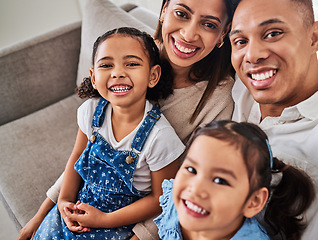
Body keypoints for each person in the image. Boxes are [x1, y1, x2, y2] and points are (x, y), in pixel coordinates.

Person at [18, 0, 238, 239]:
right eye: (181, 13)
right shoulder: (131, 51)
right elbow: (84, 156)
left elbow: (176, 190)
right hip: (80, 208)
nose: (188, 33)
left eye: (208, 24)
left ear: (223, 32)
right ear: (164, 10)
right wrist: (42, 215)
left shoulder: (219, 98)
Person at [31, 27, 184, 239]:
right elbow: (77, 156)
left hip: (118, 222)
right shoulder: (91, 111)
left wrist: (104, 220)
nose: (118, 72)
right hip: (79, 205)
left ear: (153, 75)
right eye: (106, 65)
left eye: (131, 64)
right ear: (93, 77)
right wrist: (64, 200)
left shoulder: (160, 137)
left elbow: (160, 199)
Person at [229, 0, 318, 239]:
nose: (253, 55)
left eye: (273, 33)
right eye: (240, 41)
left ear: (314, 38)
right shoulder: (239, 91)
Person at [154, 120, 315, 240]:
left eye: (220, 181)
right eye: (191, 170)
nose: (195, 189)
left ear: (253, 201)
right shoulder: (179, 204)